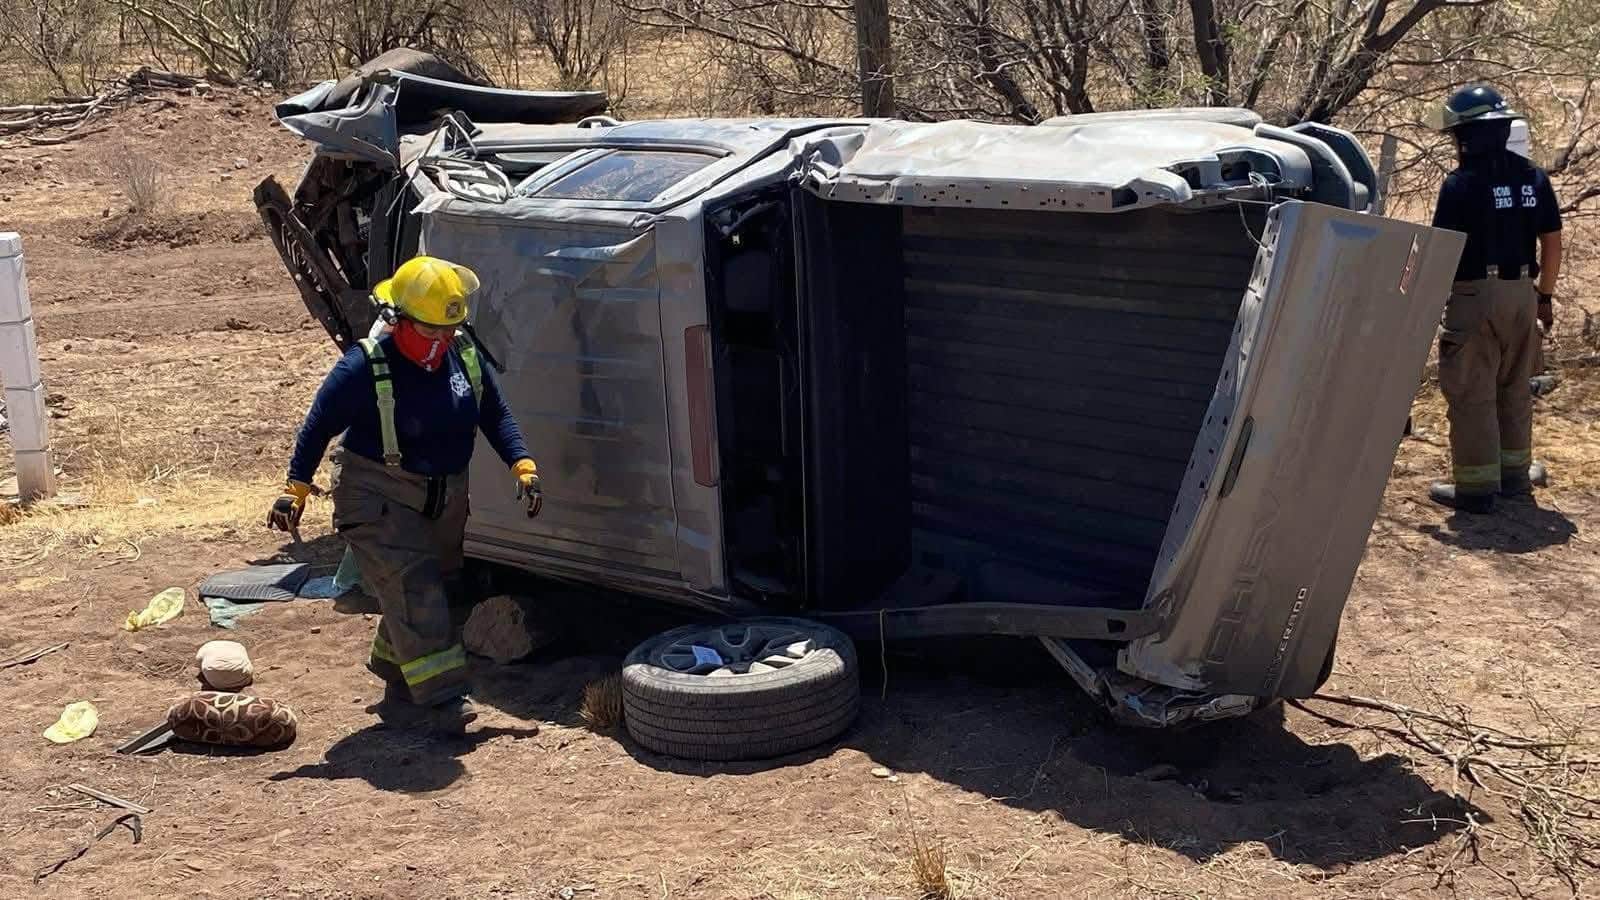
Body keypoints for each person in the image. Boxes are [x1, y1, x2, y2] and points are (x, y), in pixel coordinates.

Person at [268, 255, 543, 732]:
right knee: (415, 589)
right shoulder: (364, 366)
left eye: (449, 330)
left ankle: (397, 683)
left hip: (443, 495)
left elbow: (494, 412)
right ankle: (443, 703)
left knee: (437, 586)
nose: (441, 340)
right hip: (377, 494)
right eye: (430, 330)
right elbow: (318, 426)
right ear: (397, 320)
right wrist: (296, 488)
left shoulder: (464, 356)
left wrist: (522, 464)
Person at [1427, 85, 1562, 514]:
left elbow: (1441, 250)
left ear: (1467, 135)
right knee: (1515, 387)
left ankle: (1477, 489)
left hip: (1475, 296)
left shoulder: (1460, 185)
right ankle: (1515, 477)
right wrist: (1544, 297)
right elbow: (1552, 243)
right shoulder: (1533, 177)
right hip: (1523, 294)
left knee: (1472, 392)